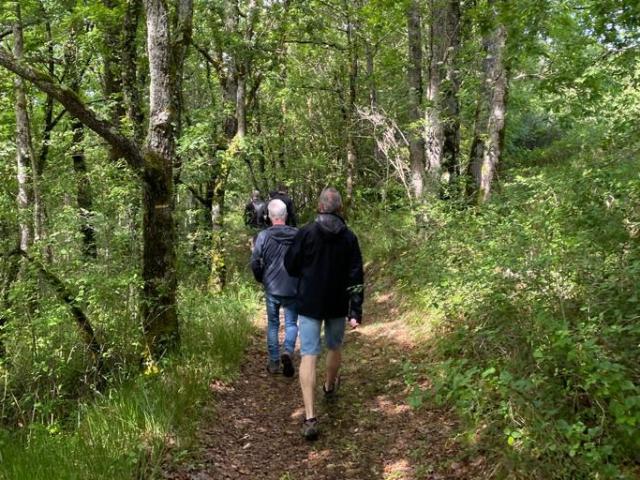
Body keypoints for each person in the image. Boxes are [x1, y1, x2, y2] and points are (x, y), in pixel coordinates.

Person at [284, 187, 364, 441]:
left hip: (309, 302)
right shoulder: (349, 237)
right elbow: (356, 276)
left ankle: (310, 416)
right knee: (334, 346)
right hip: (337, 303)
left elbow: (290, 264)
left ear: (319, 207)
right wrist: (356, 309)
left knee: (308, 353)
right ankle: (329, 386)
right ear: (340, 209)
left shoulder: (306, 233)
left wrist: (305, 274)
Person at [251, 199, 299, 377]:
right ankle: (287, 350)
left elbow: (255, 261)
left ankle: (273, 362)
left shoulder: (263, 236)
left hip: (271, 287)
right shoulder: (297, 234)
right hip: (293, 286)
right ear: (285, 215)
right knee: (292, 323)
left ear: (269, 217)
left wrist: (261, 278)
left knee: (273, 324)